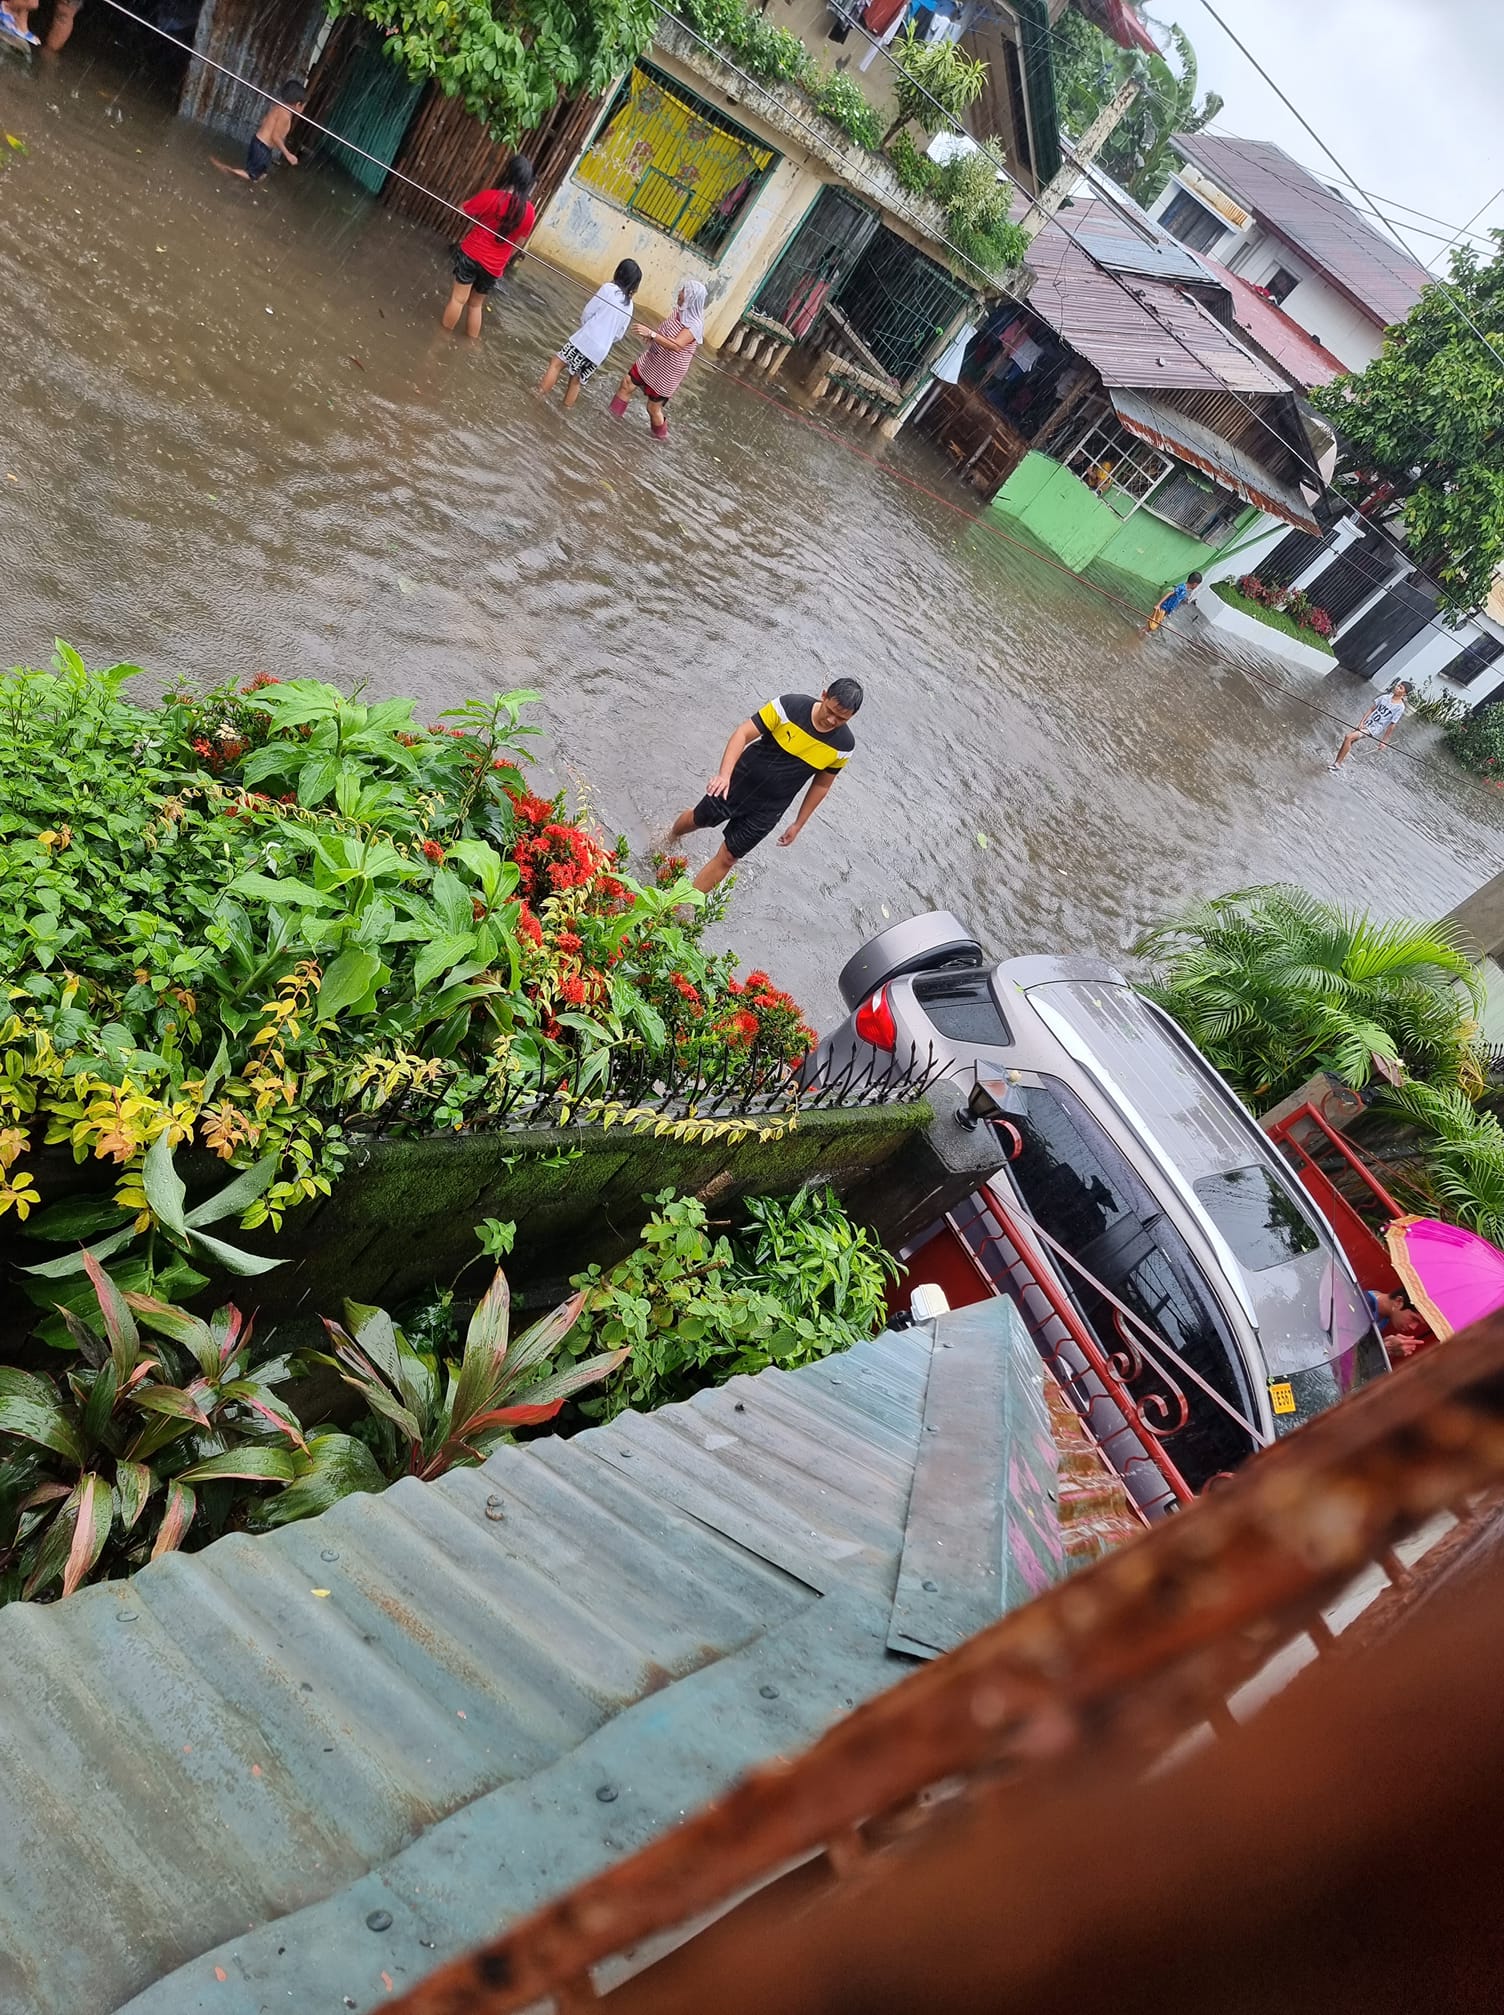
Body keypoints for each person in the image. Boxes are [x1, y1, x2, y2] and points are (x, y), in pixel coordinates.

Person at [670, 681, 864, 894]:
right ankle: (670, 838)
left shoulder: (844, 746)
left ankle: (678, 907)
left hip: (771, 807)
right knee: (698, 819)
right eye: (830, 711)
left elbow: (822, 785)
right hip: (738, 783)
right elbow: (742, 733)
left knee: (729, 857)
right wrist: (724, 776)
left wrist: (798, 823)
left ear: (851, 717)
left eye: (841, 719)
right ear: (824, 695)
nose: (831, 720)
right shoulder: (789, 706)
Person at [442, 155, 535, 340]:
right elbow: (519, 243)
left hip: (471, 254)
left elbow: (461, 209)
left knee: (458, 299)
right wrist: (504, 258)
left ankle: (440, 339)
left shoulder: (491, 197)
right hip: (494, 266)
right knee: (476, 305)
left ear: (508, 174)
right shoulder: (529, 212)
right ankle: (470, 345)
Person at [608, 278, 707, 440]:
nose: (680, 294)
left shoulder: (695, 326)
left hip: (668, 371)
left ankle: (660, 440)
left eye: (683, 291)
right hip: (654, 358)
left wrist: (651, 334)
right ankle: (610, 420)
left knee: (653, 408)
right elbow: (666, 328)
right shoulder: (679, 310)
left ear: (691, 297)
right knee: (627, 383)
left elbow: (676, 345)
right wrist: (653, 337)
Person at [538, 259, 641, 409]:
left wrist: (588, 328)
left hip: (586, 339)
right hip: (601, 351)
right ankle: (564, 411)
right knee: (576, 380)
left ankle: (538, 395)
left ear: (619, 272)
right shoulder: (630, 306)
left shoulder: (608, 288)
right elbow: (619, 335)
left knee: (556, 363)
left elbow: (588, 312)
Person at [213, 79, 306, 184]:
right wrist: (288, 154)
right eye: (304, 105)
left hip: (258, 143)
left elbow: (264, 120)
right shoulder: (285, 115)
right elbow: (275, 136)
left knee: (261, 174)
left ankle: (238, 180)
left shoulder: (278, 108)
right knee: (252, 176)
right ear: (298, 104)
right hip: (263, 147)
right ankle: (225, 169)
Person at [1329, 680, 1408, 772]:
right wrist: (1361, 722)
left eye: (1400, 688)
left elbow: (1392, 724)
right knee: (1350, 741)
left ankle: (1337, 764)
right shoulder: (1385, 697)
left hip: (1373, 729)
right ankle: (1337, 762)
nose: (1397, 688)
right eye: (1398, 686)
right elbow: (1371, 709)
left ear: (1405, 693)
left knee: (1348, 737)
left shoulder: (1400, 707)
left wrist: (1384, 741)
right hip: (1367, 723)